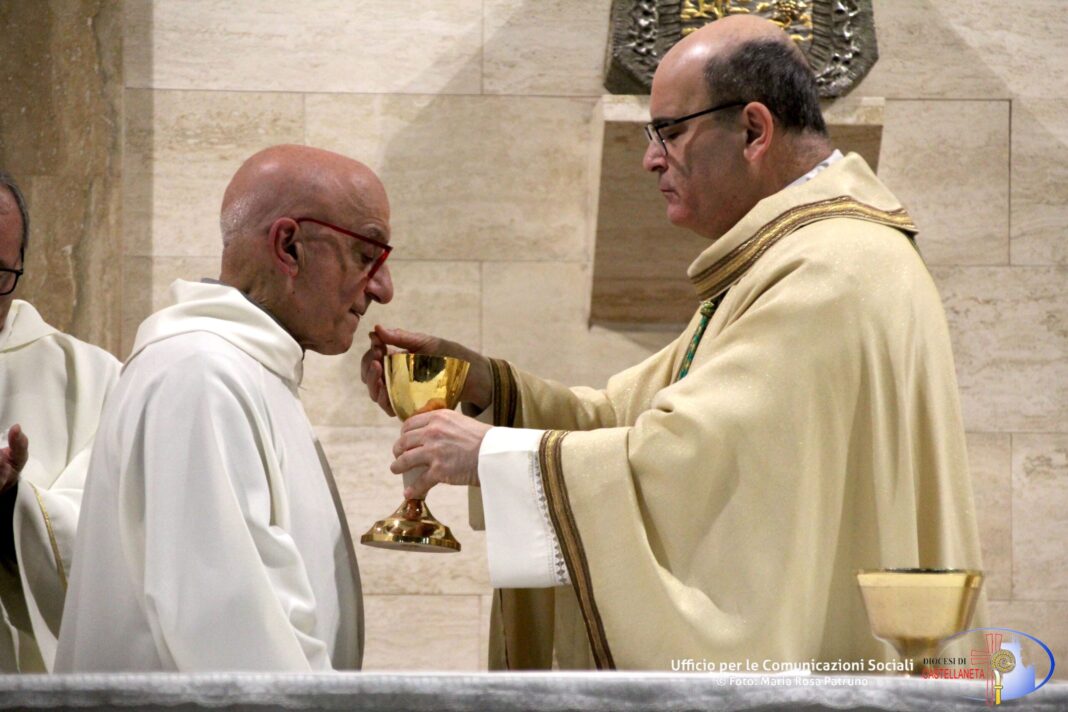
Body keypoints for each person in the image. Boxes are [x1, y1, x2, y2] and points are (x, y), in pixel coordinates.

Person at [361, 16, 984, 670]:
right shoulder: (803, 257)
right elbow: (627, 416)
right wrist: (489, 387)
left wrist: (492, 454)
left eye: (670, 131)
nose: (651, 158)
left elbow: (691, 462)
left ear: (754, 130)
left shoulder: (832, 269)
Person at [55, 145, 393, 672]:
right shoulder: (201, 375)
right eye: (367, 256)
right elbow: (232, 638)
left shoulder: (247, 370)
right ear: (289, 246)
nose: (384, 289)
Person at [0, 171, 121, 672]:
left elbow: (111, 542)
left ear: (21, 264)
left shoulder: (93, 378)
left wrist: (12, 502)